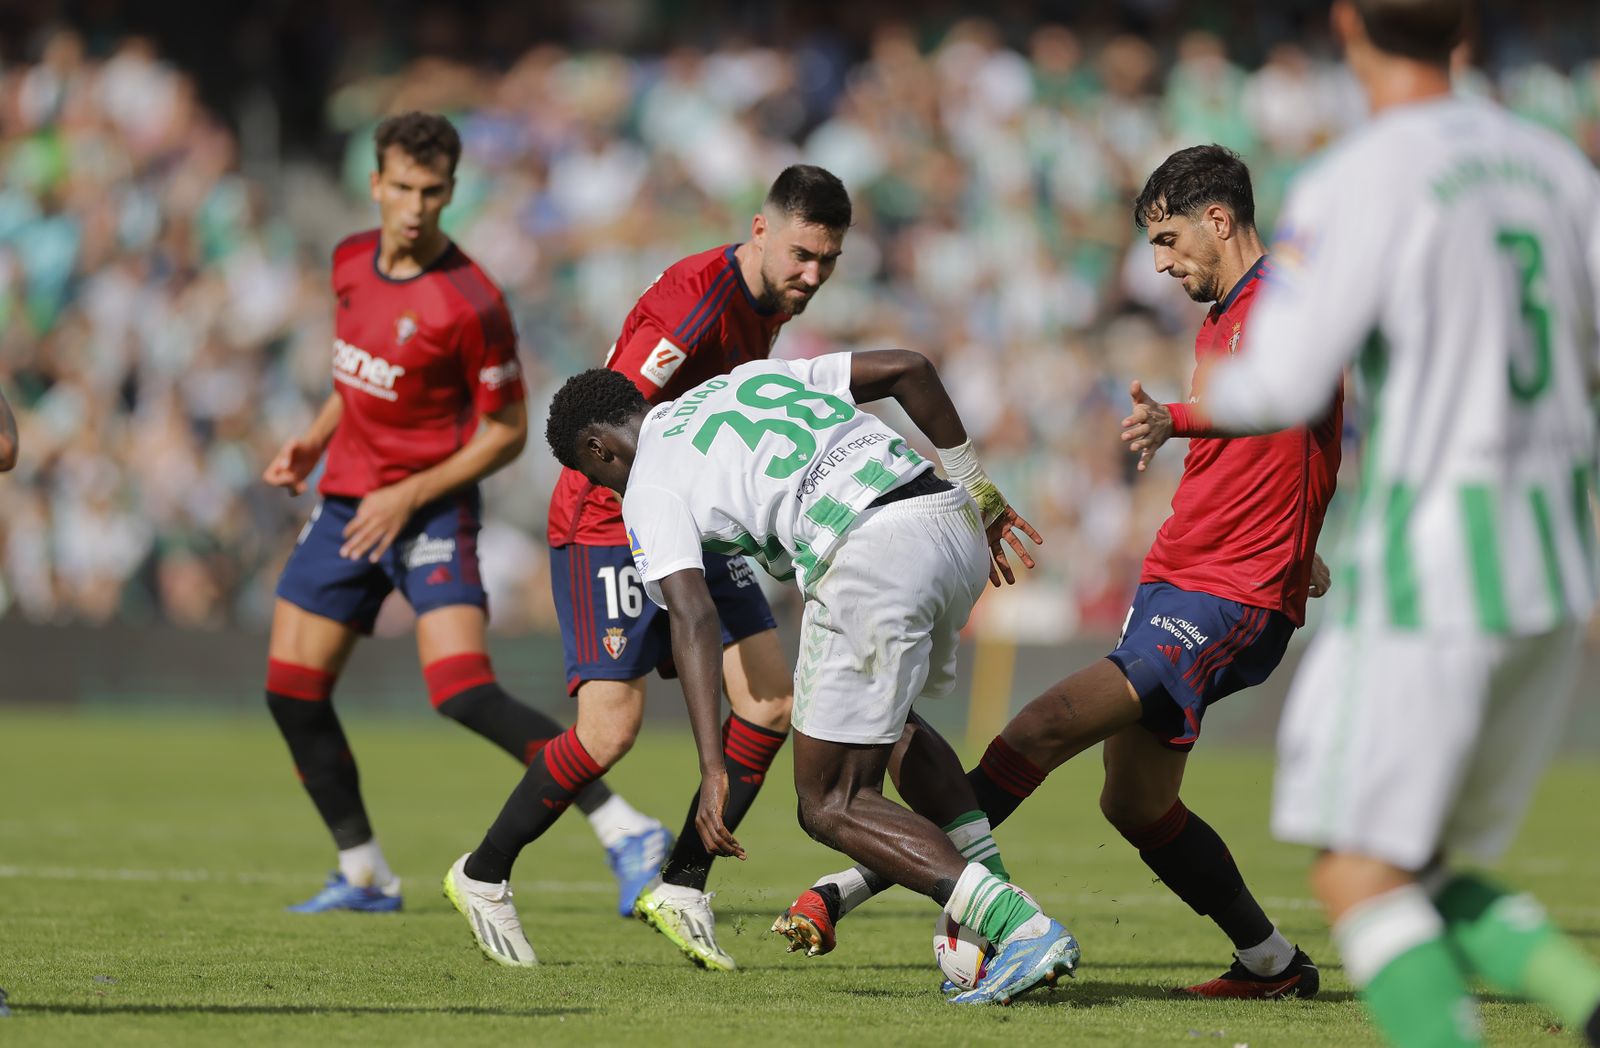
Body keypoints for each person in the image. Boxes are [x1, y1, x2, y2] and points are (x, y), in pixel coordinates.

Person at [776, 145, 1338, 1002]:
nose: (1160, 264)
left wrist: (1181, 424)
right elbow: (1278, 448)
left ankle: (847, 889)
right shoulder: (1224, 317)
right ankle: (1271, 963)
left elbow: (1291, 403)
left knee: (1039, 729)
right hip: (1179, 579)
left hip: (1226, 597)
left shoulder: (1286, 303)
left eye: (1168, 240)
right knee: (1135, 805)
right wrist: (1302, 531)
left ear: (1220, 221)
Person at [1196, 2, 1600, 1045]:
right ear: (1462, 28)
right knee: (1424, 868)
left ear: (1347, 26)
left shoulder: (1360, 176)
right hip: (1555, 563)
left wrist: (1195, 394)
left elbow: (1281, 382)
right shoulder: (1555, 169)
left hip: (1436, 565)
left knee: (1356, 869)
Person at [534, 350, 1074, 1005]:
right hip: (948, 517)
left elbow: (693, 616)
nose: (607, 489)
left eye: (595, 476)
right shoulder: (741, 381)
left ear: (597, 449)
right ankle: (995, 893)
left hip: (869, 551)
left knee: (828, 802)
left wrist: (713, 768)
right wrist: (979, 490)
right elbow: (909, 368)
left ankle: (1020, 927)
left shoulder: (648, 484)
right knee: (893, 726)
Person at [442, 167, 850, 971]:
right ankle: (483, 873)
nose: (812, 275)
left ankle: (683, 885)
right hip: (610, 514)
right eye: (802, 255)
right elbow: (607, 426)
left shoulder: (770, 300)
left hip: (693, 512)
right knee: (608, 732)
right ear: (761, 230)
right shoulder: (694, 303)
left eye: (827, 261)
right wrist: (656, 522)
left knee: (770, 701)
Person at [262, 111, 662, 915]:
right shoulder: (348, 261)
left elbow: (508, 432)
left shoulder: (470, 301)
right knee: (291, 689)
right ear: (375, 183)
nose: (416, 207)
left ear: (450, 191)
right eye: (403, 188)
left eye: (433, 191)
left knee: (461, 689)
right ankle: (365, 873)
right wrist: (313, 440)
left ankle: (624, 827)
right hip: (348, 502)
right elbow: (358, 377)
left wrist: (408, 494)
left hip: (430, 509)